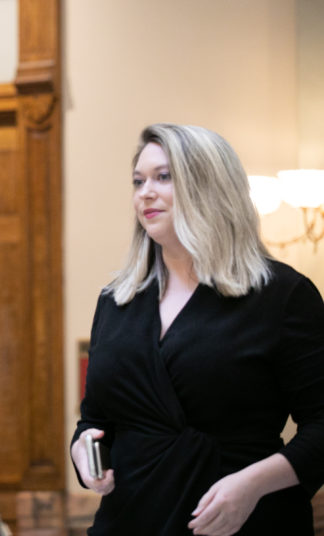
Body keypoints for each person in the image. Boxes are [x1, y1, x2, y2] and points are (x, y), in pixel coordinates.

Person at [71, 123, 324, 535]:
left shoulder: (282, 295)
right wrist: (83, 452)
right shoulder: (116, 300)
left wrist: (251, 485)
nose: (145, 193)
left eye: (163, 177)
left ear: (209, 184)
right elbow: (95, 420)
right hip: (130, 520)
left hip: (242, 523)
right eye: (138, 181)